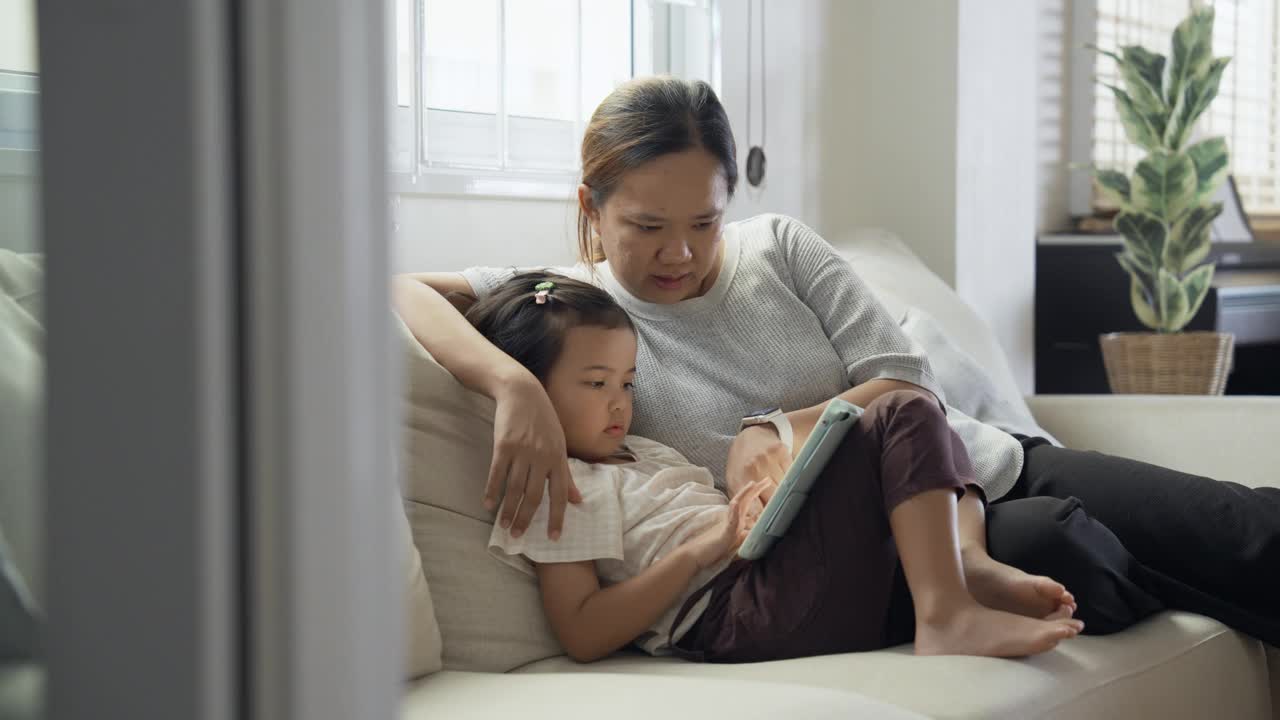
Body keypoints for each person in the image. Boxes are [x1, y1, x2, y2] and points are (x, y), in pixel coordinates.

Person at [393, 76, 1280, 646]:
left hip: (987, 465)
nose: (680, 254)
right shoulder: (572, 314)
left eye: (702, 222)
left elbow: (904, 379)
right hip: (881, 550)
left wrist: (774, 427)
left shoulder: (776, 247)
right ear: (592, 207)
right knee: (1065, 552)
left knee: (1240, 532)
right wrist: (510, 384)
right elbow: (394, 287)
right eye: (646, 228)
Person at [467, 272, 1083, 661]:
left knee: (914, 414)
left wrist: (763, 506)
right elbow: (580, 631)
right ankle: (948, 613)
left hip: (764, 575)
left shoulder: (642, 452)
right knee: (897, 410)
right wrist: (705, 549)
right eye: (596, 383)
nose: (619, 403)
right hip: (729, 614)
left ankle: (961, 573)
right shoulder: (563, 486)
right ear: (534, 390)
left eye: (627, 382)